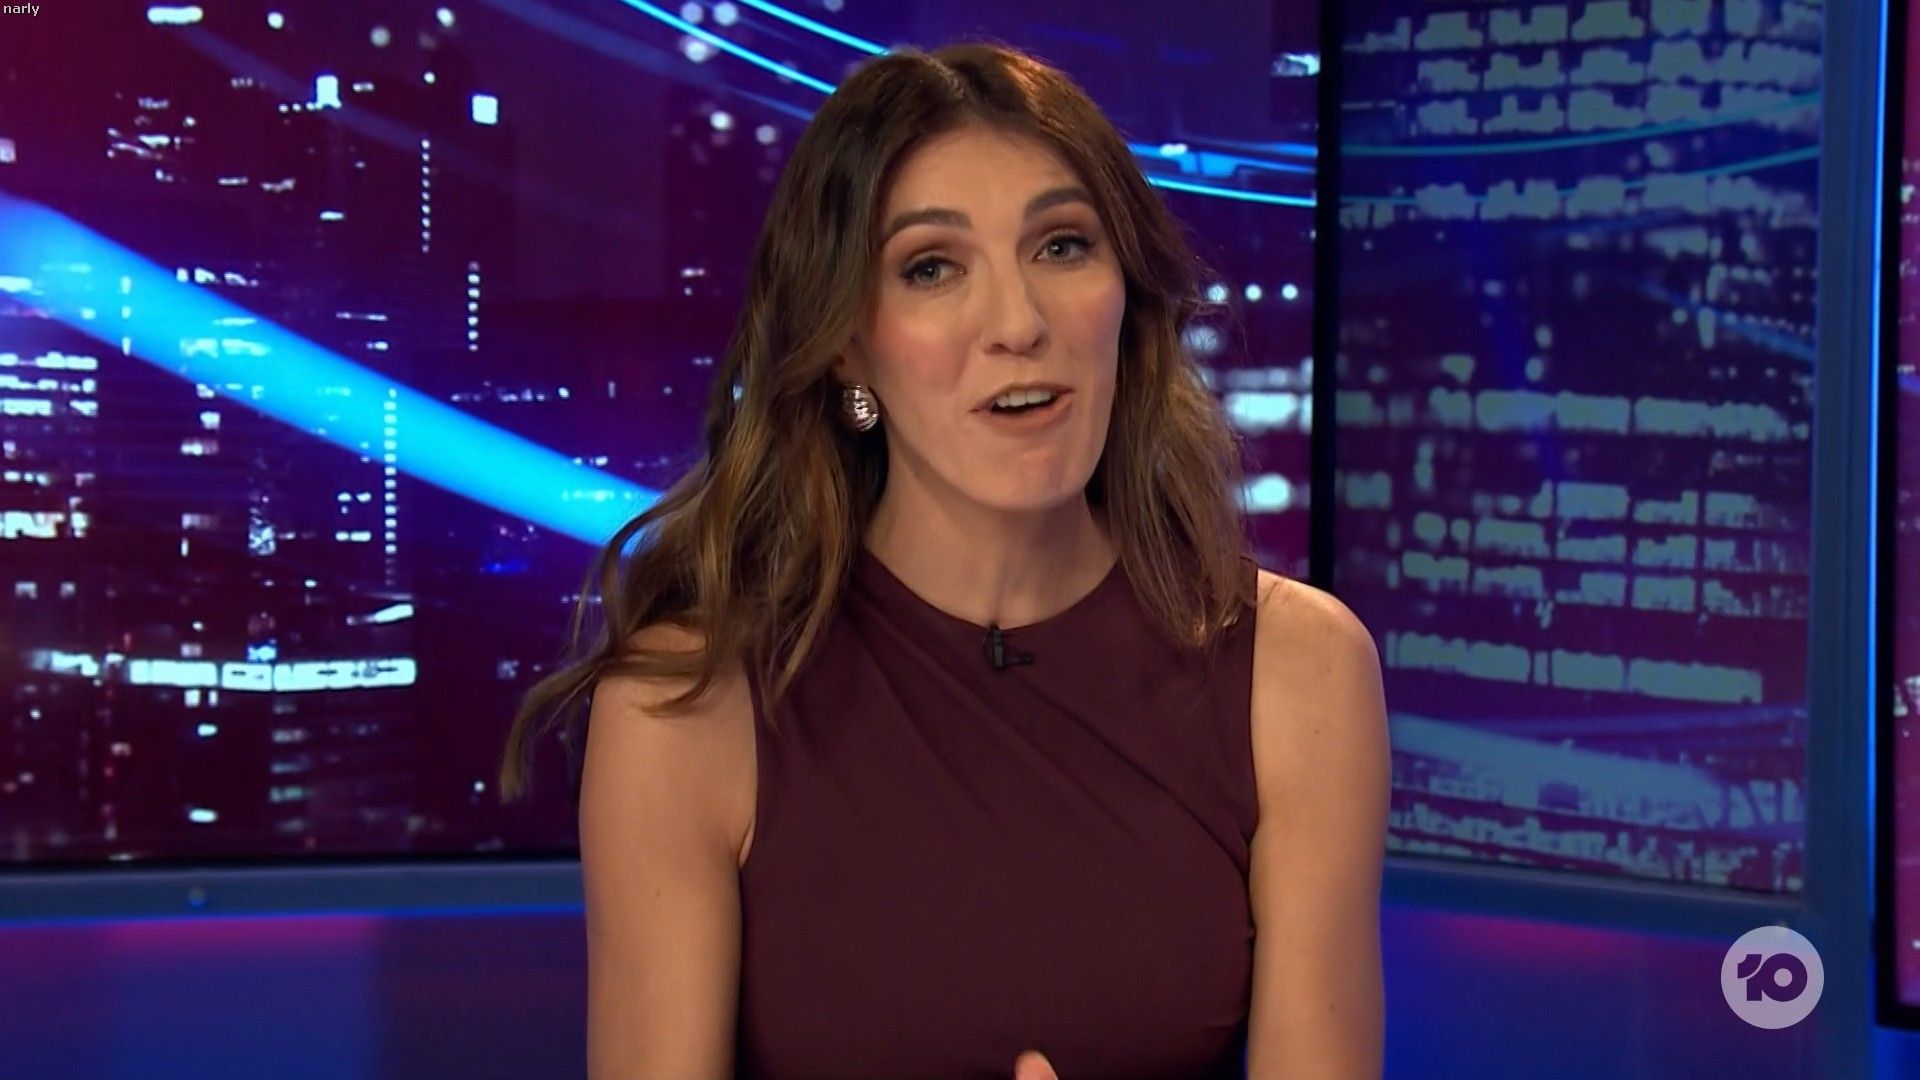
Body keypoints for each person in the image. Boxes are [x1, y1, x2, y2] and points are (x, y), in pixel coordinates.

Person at [499, 41, 1389, 1080]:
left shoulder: (1296, 673)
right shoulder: (688, 704)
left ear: (1126, 300)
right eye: (932, 267)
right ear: (847, 344)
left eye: (1062, 246)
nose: (1019, 323)